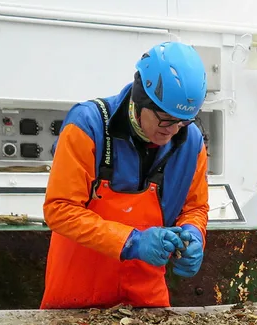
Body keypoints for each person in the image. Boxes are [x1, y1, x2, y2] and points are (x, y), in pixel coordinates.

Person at [40, 41, 209, 309]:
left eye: (183, 121)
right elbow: (60, 209)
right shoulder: (88, 125)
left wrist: (194, 234)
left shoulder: (191, 143)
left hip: (146, 302)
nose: (173, 130)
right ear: (141, 99)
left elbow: (195, 207)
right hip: (75, 302)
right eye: (165, 119)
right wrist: (133, 242)